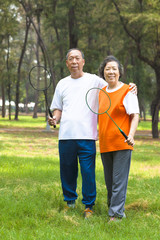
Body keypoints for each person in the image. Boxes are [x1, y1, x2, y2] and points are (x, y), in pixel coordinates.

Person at [48, 49, 137, 219]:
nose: (74, 61)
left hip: (87, 136)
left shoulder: (95, 81)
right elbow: (58, 108)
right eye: (70, 59)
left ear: (83, 61)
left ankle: (89, 206)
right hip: (65, 136)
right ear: (67, 63)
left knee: (88, 172)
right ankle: (70, 201)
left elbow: (114, 84)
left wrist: (131, 86)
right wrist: (54, 119)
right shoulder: (62, 84)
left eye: (77, 58)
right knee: (67, 170)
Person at [98, 55, 139, 222]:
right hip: (105, 144)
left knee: (118, 182)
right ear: (103, 73)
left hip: (122, 143)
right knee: (109, 182)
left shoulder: (128, 90)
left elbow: (135, 115)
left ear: (120, 72)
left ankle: (116, 215)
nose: (111, 71)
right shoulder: (101, 93)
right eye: (108, 69)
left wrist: (131, 135)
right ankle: (114, 208)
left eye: (114, 68)